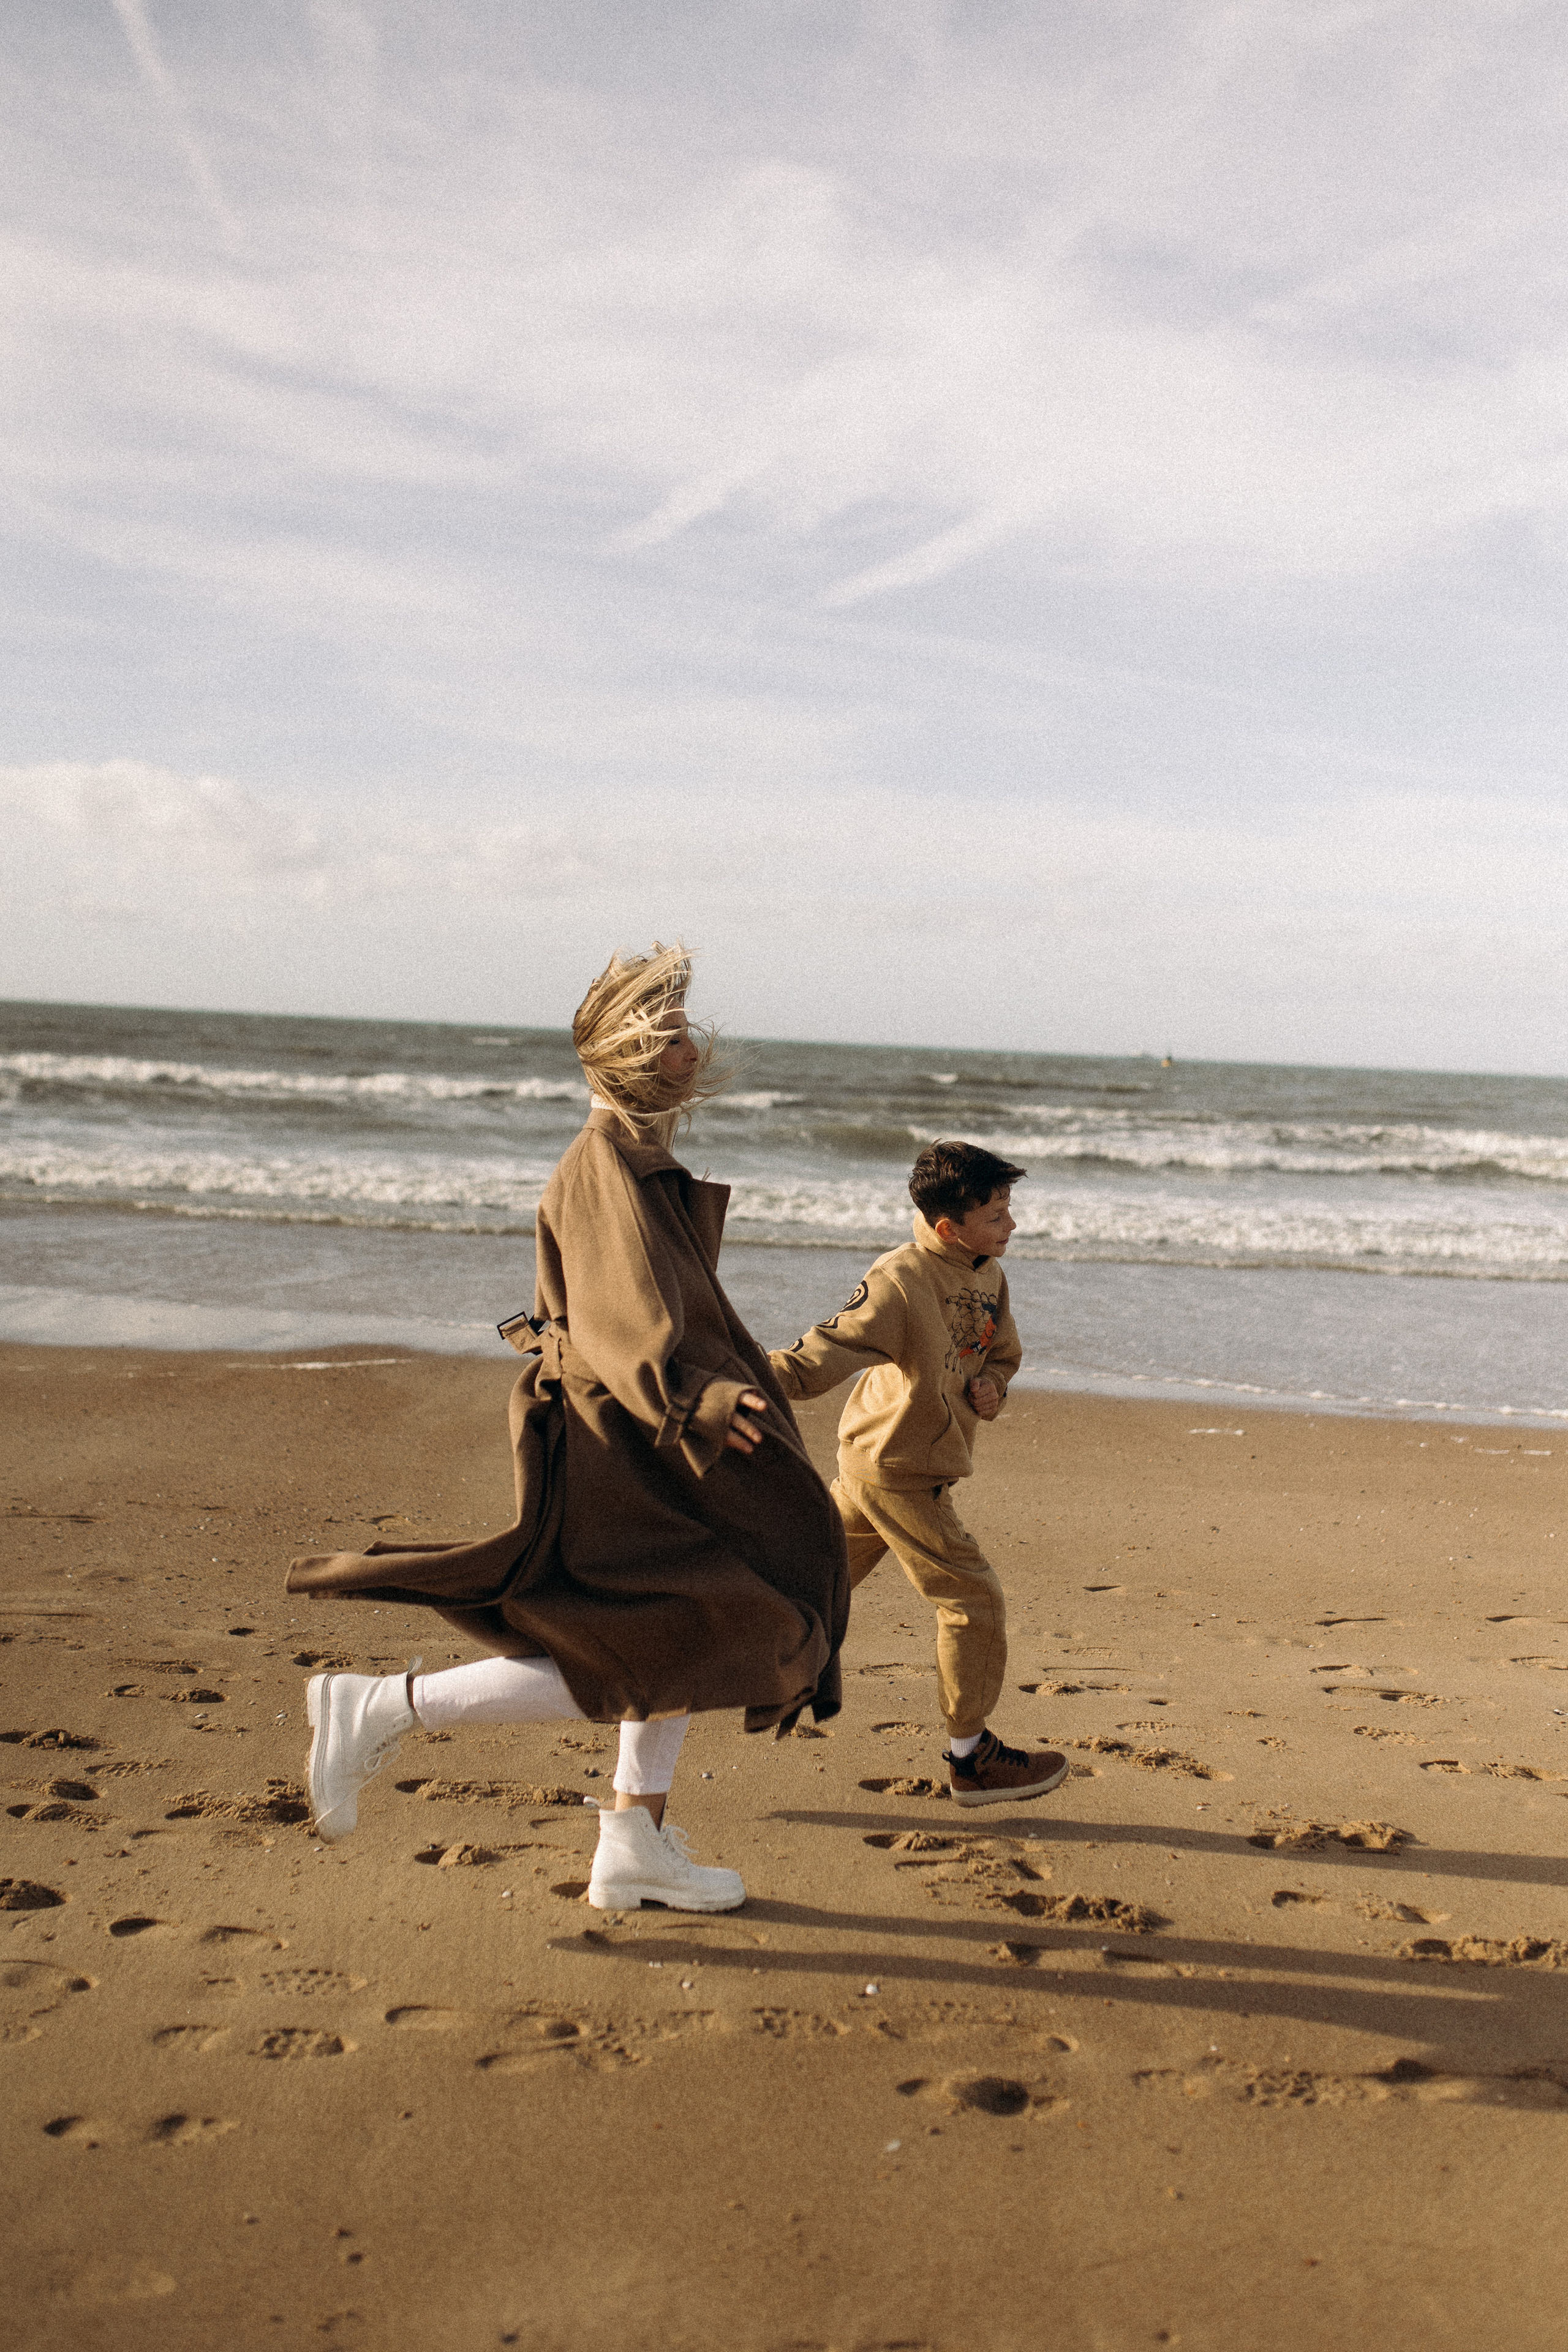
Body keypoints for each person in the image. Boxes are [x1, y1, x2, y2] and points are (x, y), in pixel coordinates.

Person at [285, 944, 848, 1910]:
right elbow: (618, 1311)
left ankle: (634, 1839)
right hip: (621, 1440)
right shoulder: (602, 1167)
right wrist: (698, 1400)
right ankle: (382, 1706)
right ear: (627, 1051)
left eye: (684, 1030)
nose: (687, 1047)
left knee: (678, 1628)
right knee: (665, 1634)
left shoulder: (634, 1157)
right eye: (665, 1033)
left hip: (643, 1432)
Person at [768, 1139, 1066, 1808]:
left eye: (1009, 1209)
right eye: (995, 1215)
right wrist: (726, 1373)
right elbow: (822, 1352)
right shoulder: (901, 1279)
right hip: (897, 1469)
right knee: (973, 1600)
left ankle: (690, 1651)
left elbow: (1000, 1355)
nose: (1010, 1225)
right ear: (947, 1227)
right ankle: (971, 1758)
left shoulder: (989, 1272)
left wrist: (990, 1386)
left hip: (891, 1466)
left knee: (806, 1588)